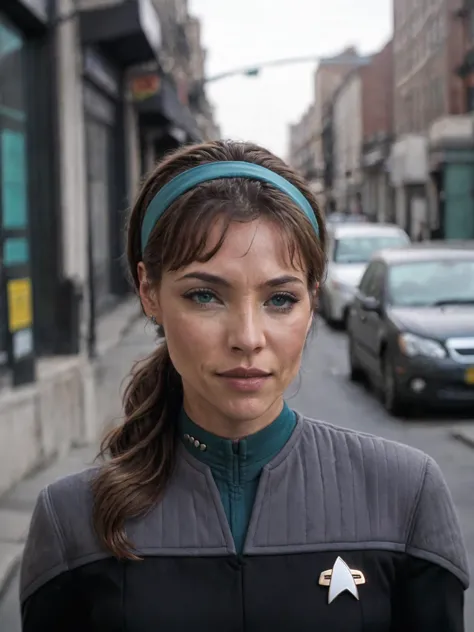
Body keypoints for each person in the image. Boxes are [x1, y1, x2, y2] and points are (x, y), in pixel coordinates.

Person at [20, 140, 469, 631]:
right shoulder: (72, 521)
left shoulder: (406, 494)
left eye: (279, 299)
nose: (248, 339)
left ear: (313, 300)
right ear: (149, 293)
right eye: (205, 295)